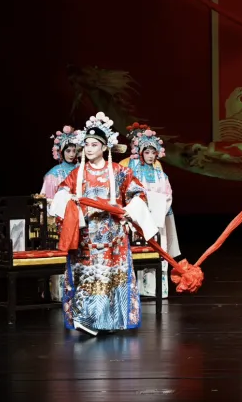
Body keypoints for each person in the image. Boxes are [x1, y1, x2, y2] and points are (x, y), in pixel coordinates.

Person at [49, 112, 157, 336]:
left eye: (94, 145)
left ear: (104, 147)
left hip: (113, 235)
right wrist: (72, 201)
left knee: (110, 277)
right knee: (88, 277)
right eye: (86, 145)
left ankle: (109, 321)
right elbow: (61, 193)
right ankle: (88, 320)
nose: (89, 149)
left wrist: (128, 210)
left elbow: (138, 193)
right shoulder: (77, 173)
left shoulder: (119, 171)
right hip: (86, 236)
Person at [120, 123, 181, 298]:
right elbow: (129, 193)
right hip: (140, 220)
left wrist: (159, 207)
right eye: (147, 152)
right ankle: (139, 288)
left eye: (153, 152)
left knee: (159, 251)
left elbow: (168, 194)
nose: (150, 156)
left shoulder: (161, 173)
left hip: (158, 218)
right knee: (140, 252)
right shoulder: (133, 171)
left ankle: (157, 289)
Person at [41, 125, 81, 301]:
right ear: (61, 152)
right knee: (63, 253)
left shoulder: (81, 171)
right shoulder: (54, 174)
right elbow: (45, 199)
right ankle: (60, 293)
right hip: (60, 219)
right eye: (68, 150)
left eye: (74, 150)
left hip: (79, 218)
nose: (71, 154)